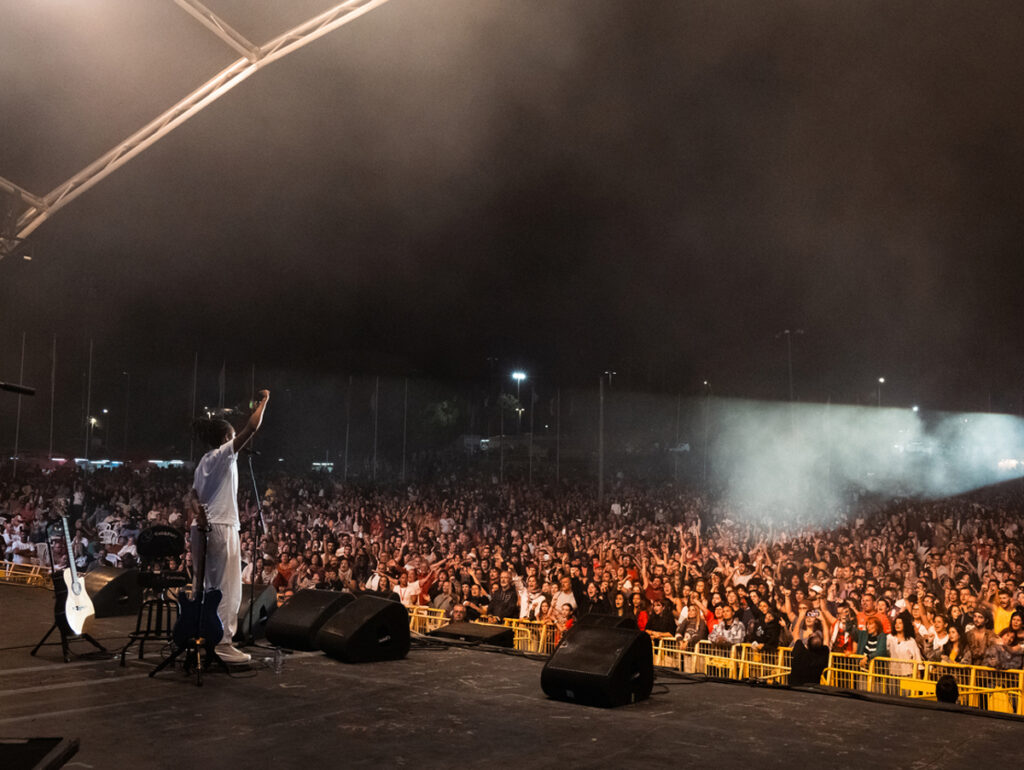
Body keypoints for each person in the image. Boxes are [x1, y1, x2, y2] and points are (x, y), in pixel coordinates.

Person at [185, 389, 270, 665]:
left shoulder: (202, 463)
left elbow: (192, 497)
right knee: (227, 588)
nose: (236, 441)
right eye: (232, 437)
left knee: (204, 586)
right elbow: (252, 428)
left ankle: (200, 636)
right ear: (225, 439)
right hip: (221, 526)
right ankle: (222, 643)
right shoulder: (223, 455)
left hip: (203, 528)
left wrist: (199, 516)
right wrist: (264, 402)